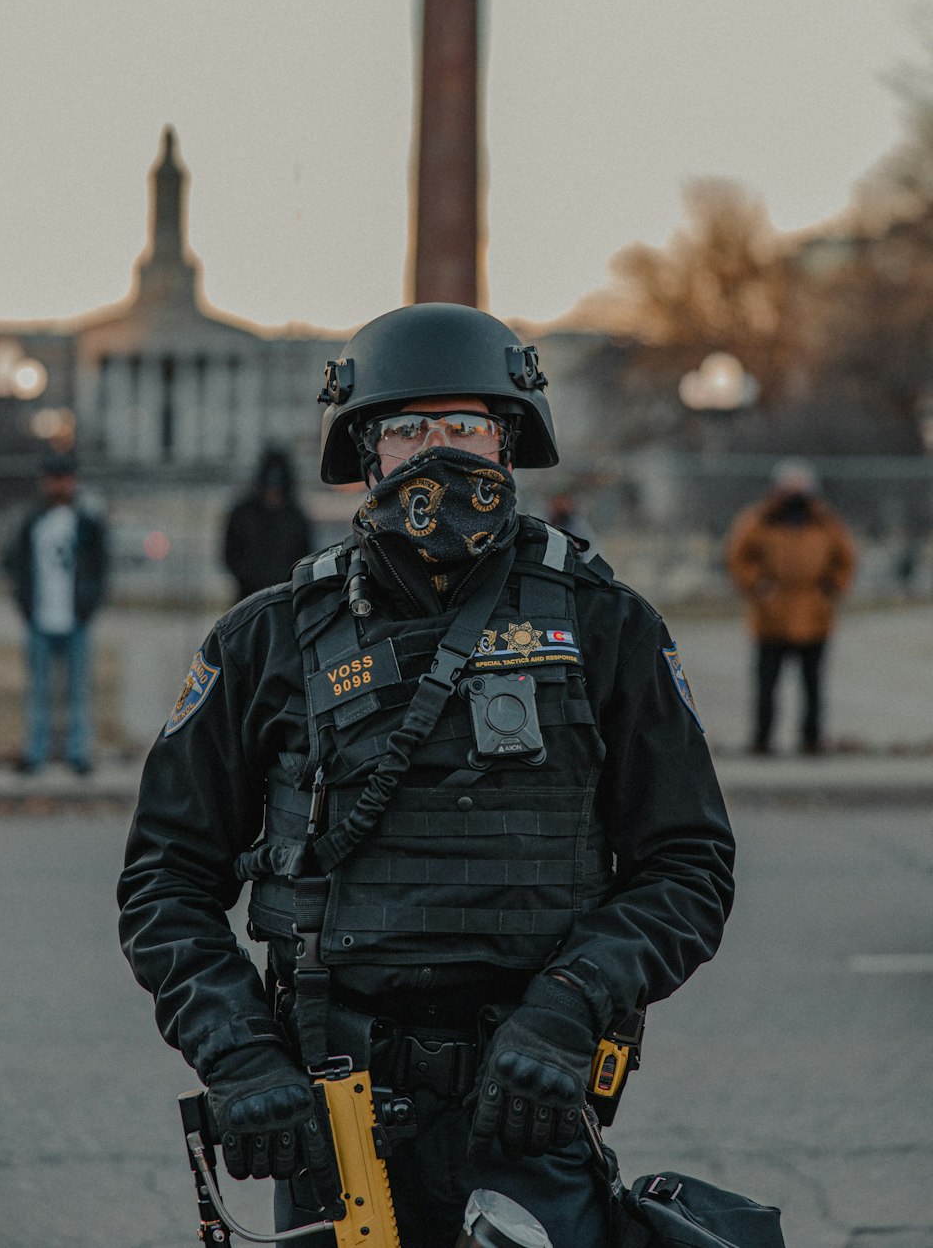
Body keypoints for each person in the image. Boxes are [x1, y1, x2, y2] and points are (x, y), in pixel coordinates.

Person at [118, 303, 736, 1247]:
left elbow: (688, 866)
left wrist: (572, 1012)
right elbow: (164, 879)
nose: (436, 452)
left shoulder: (609, 628)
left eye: (464, 426)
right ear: (366, 453)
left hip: (529, 1099)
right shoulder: (268, 640)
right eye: (408, 428)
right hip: (329, 1116)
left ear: (508, 441)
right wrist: (240, 1057)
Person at [726, 460, 856, 756]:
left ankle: (811, 740)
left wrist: (831, 588)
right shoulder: (758, 520)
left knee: (813, 685)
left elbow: (846, 559)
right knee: (766, 685)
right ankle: (762, 739)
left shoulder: (826, 522)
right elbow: (738, 556)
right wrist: (757, 584)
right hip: (771, 618)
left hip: (814, 616)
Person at [2, 451, 109, 774]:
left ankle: (78, 753)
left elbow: (100, 567)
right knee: (39, 690)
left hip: (75, 618)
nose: (59, 485)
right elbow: (15, 564)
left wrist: (88, 605)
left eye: (64, 478)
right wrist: (24, 604)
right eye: (53, 478)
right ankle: (36, 753)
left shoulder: (87, 522)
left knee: (78, 689)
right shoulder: (32, 521)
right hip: (40, 618)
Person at [222, 446, 315, 603]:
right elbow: (231, 554)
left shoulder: (295, 517)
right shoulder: (244, 513)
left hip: (283, 597)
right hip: (248, 596)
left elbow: (304, 556)